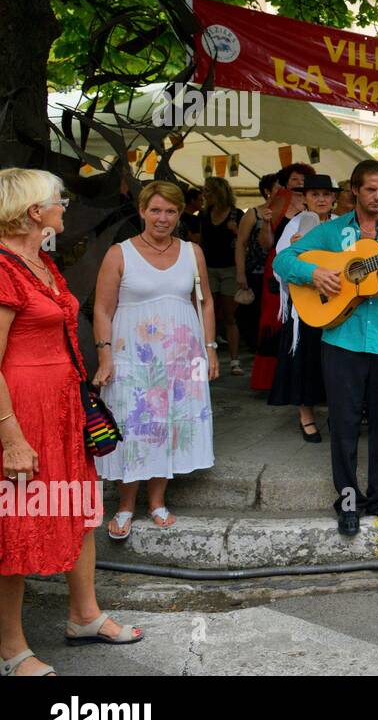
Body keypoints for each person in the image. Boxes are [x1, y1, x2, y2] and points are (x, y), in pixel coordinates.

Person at [0, 168, 143, 676]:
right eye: (58, 199)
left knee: (81, 509)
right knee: (16, 524)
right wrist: (10, 436)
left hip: (63, 408)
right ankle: (11, 648)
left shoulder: (40, 263)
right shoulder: (2, 267)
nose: (66, 205)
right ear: (34, 212)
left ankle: (84, 616)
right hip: (22, 411)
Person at [274, 161, 378, 535]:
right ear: (356, 191)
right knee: (344, 424)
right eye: (371, 190)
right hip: (342, 337)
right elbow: (284, 260)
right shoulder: (331, 231)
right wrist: (313, 273)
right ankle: (348, 501)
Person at [93, 180, 217, 537]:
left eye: (171, 211)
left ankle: (158, 501)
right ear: (142, 211)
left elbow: (205, 302)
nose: (163, 218)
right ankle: (125, 505)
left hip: (182, 356)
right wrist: (104, 357)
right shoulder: (120, 253)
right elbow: (102, 309)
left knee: (169, 424)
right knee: (132, 425)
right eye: (156, 210)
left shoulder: (193, 252)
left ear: (180, 214)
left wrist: (209, 350)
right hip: (132, 355)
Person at [267, 175, 338, 443]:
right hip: (305, 303)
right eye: (315, 194)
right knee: (305, 360)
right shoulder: (294, 225)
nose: (320, 199)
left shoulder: (342, 224)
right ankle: (305, 415)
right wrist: (297, 253)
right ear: (305, 198)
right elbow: (280, 266)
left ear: (333, 198)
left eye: (325, 194)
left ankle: (337, 411)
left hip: (335, 302)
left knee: (334, 361)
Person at [250, 163, 314, 391]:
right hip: (277, 265)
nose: (299, 183)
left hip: (307, 268)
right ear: (286, 181)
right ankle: (269, 380)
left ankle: (295, 375)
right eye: (295, 179)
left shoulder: (316, 203)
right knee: (273, 319)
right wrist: (266, 223)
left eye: (304, 179)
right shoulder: (279, 201)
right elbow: (266, 244)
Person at [192, 176, 244, 375]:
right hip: (208, 268)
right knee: (207, 313)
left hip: (229, 268)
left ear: (218, 192)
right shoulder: (204, 214)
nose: (204, 195)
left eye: (208, 191)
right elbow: (201, 241)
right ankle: (205, 355)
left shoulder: (235, 214)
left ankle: (234, 360)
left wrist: (236, 231)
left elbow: (245, 243)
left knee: (230, 316)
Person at [234, 173, 277, 377]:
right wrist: (241, 273)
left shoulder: (289, 212)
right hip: (256, 271)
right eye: (278, 186)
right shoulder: (253, 213)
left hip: (277, 273)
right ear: (268, 190)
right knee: (254, 316)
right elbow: (241, 244)